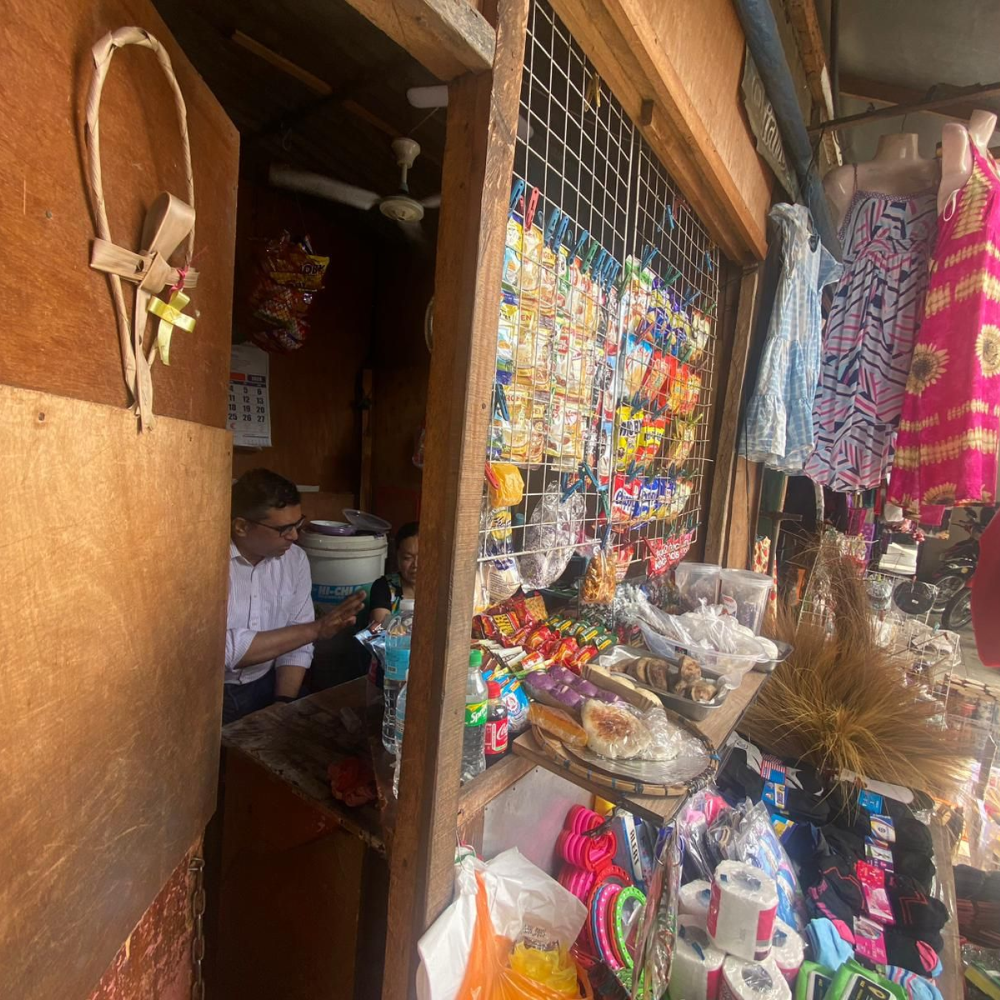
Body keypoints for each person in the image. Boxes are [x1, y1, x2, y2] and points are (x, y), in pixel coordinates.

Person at [225, 469, 365, 724]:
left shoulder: (295, 559)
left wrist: (283, 702)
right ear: (241, 527)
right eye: (284, 529)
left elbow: (296, 640)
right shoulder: (210, 564)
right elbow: (224, 650)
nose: (294, 536)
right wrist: (316, 630)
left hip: (270, 682)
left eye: (298, 524)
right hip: (213, 693)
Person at [369, 521, 419, 626]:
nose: (416, 565)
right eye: (407, 558)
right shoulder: (384, 586)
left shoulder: (441, 589)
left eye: (423, 556)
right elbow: (382, 626)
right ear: (398, 557)